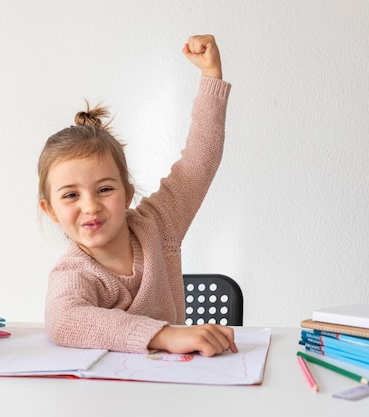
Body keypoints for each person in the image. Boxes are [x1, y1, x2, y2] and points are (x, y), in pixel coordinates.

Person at [37, 34, 237, 357]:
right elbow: (63, 320)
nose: (90, 206)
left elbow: (199, 162)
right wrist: (164, 335)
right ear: (51, 211)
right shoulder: (73, 273)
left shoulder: (159, 224)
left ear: (128, 194)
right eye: (71, 195)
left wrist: (211, 76)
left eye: (104, 189)